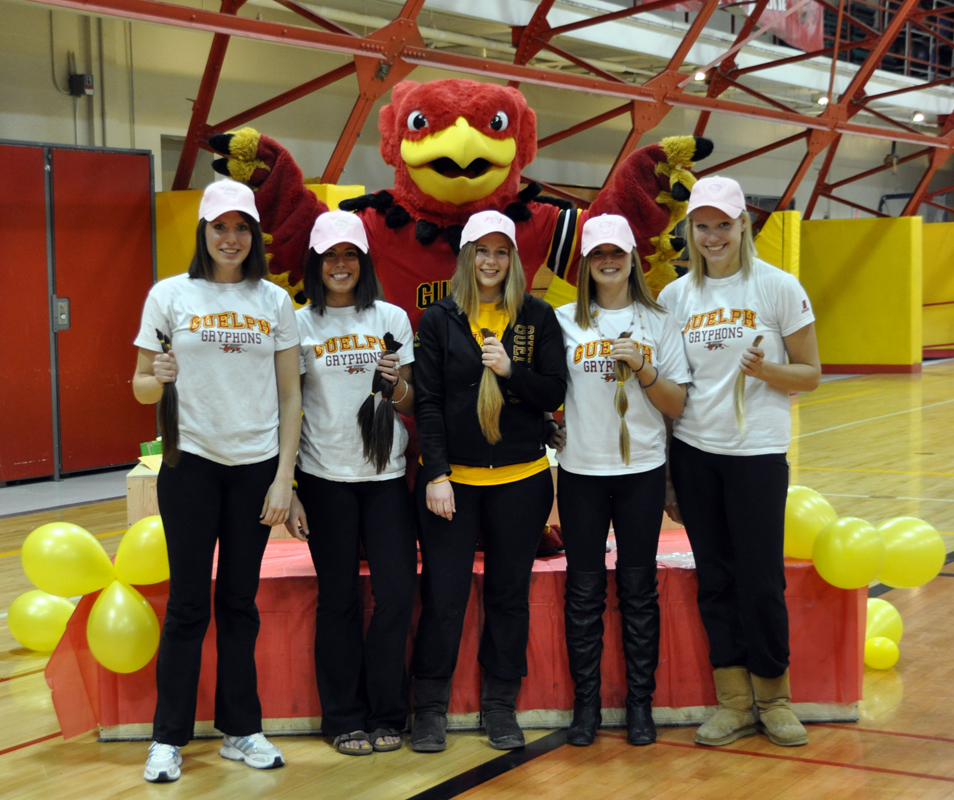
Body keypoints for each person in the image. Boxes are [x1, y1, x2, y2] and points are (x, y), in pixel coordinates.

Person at [133, 179, 301, 782]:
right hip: (191, 465)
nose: (230, 238)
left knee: (238, 601)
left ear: (253, 236)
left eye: (241, 228)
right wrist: (159, 374)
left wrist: (284, 477)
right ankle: (168, 737)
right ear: (202, 233)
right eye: (218, 227)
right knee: (186, 604)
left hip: (255, 468)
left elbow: (290, 395)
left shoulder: (274, 302)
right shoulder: (169, 296)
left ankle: (242, 729)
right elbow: (140, 387)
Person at [657, 175, 820, 748]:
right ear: (690, 230)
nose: (712, 236)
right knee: (716, 581)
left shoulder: (778, 287)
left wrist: (767, 372)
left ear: (742, 225)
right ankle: (732, 703)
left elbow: (812, 374)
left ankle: (775, 699)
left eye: (723, 224)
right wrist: (673, 477)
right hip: (698, 455)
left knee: (759, 581)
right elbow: (673, 393)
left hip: (757, 457)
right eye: (702, 226)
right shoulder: (676, 298)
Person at [410, 210, 567, 752]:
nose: (491, 262)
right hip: (454, 485)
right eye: (482, 251)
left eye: (502, 252)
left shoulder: (537, 317)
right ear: (467, 256)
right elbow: (427, 404)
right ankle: (428, 708)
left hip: (522, 481)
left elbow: (550, 393)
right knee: (444, 596)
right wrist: (436, 473)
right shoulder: (438, 319)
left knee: (508, 597)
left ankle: (500, 706)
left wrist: (509, 372)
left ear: (515, 259)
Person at [548, 214, 689, 747]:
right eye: (598, 253)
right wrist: (548, 425)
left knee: (638, 589)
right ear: (585, 262)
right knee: (583, 592)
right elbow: (545, 390)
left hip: (642, 473)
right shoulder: (562, 321)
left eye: (619, 252)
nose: (609, 261)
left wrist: (645, 370)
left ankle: (639, 705)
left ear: (633, 259)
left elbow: (677, 403)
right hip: (582, 472)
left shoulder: (659, 320)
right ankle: (586, 708)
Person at [283, 211, 418, 756]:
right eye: (330, 257)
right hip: (323, 478)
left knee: (395, 595)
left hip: (386, 478)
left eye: (350, 255)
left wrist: (395, 384)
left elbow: (410, 401)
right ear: (316, 264)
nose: (341, 265)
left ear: (363, 262)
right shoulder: (298, 323)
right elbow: (285, 406)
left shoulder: (392, 317)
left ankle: (388, 711)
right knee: (337, 599)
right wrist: (288, 486)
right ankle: (343, 717)